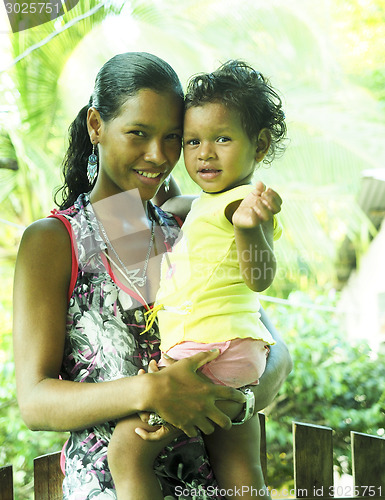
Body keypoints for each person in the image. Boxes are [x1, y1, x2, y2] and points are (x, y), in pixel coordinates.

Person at [12, 52, 291, 499]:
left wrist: (236, 404)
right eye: (138, 134)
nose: (158, 155)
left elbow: (275, 354)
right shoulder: (53, 241)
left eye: (173, 138)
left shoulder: (185, 226)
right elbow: (35, 401)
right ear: (96, 126)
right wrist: (152, 390)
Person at [107, 60, 287, 499]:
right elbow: (186, 207)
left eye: (222, 138)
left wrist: (250, 230)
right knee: (242, 463)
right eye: (191, 141)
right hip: (237, 352)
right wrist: (165, 205)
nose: (204, 152)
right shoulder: (210, 201)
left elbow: (261, 278)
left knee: (128, 452)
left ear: (259, 146)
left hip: (206, 352)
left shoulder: (241, 205)